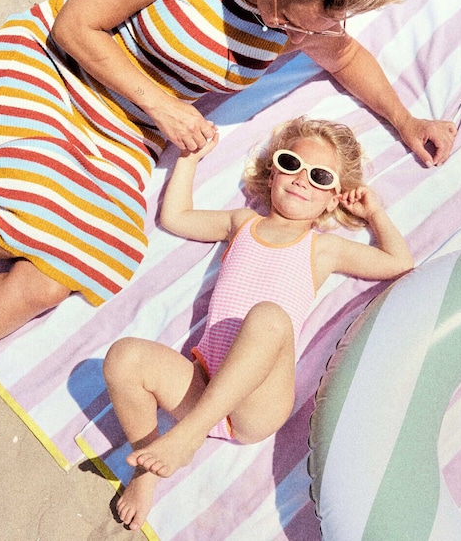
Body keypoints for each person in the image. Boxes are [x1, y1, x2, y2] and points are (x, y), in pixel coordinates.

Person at [0, 0, 455, 379]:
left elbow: (346, 55)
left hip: (131, 129)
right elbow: (75, 26)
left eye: (309, 30)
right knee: (41, 210)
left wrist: (406, 121)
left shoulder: (306, 24)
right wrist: (163, 105)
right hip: (59, 68)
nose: (293, 36)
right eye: (289, 18)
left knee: (60, 274)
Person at [102, 117, 412, 530]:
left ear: (332, 199)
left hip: (256, 406)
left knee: (269, 317)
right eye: (291, 164)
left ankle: (187, 436)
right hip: (203, 384)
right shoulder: (242, 223)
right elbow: (176, 217)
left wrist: (375, 213)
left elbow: (399, 263)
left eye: (319, 177)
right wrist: (189, 158)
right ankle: (146, 470)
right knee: (124, 357)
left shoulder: (323, 249)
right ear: (272, 173)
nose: (301, 179)